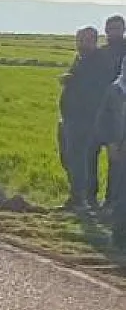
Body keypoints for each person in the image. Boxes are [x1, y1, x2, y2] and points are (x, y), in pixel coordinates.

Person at [58, 26, 113, 210]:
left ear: (94, 41)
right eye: (79, 40)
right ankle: (77, 197)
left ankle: (82, 199)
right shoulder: (80, 59)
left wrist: (72, 80)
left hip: (86, 118)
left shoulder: (100, 61)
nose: (81, 44)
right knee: (70, 158)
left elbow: (96, 89)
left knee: (82, 160)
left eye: (85, 40)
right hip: (70, 117)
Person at [93, 72, 126, 249]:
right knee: (120, 193)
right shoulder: (115, 90)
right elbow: (103, 120)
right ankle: (118, 237)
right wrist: (111, 143)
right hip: (121, 149)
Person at [96, 15, 126, 205]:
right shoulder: (101, 54)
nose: (114, 32)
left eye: (118, 28)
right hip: (115, 126)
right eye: (111, 29)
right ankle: (111, 203)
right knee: (115, 166)